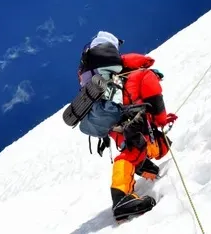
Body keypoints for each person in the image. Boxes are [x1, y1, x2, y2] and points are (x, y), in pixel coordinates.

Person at [76, 32, 178, 221]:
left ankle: (142, 164)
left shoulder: (115, 79)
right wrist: (162, 120)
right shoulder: (143, 74)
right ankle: (121, 197)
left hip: (116, 127)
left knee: (139, 147)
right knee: (136, 149)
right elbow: (155, 100)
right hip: (132, 120)